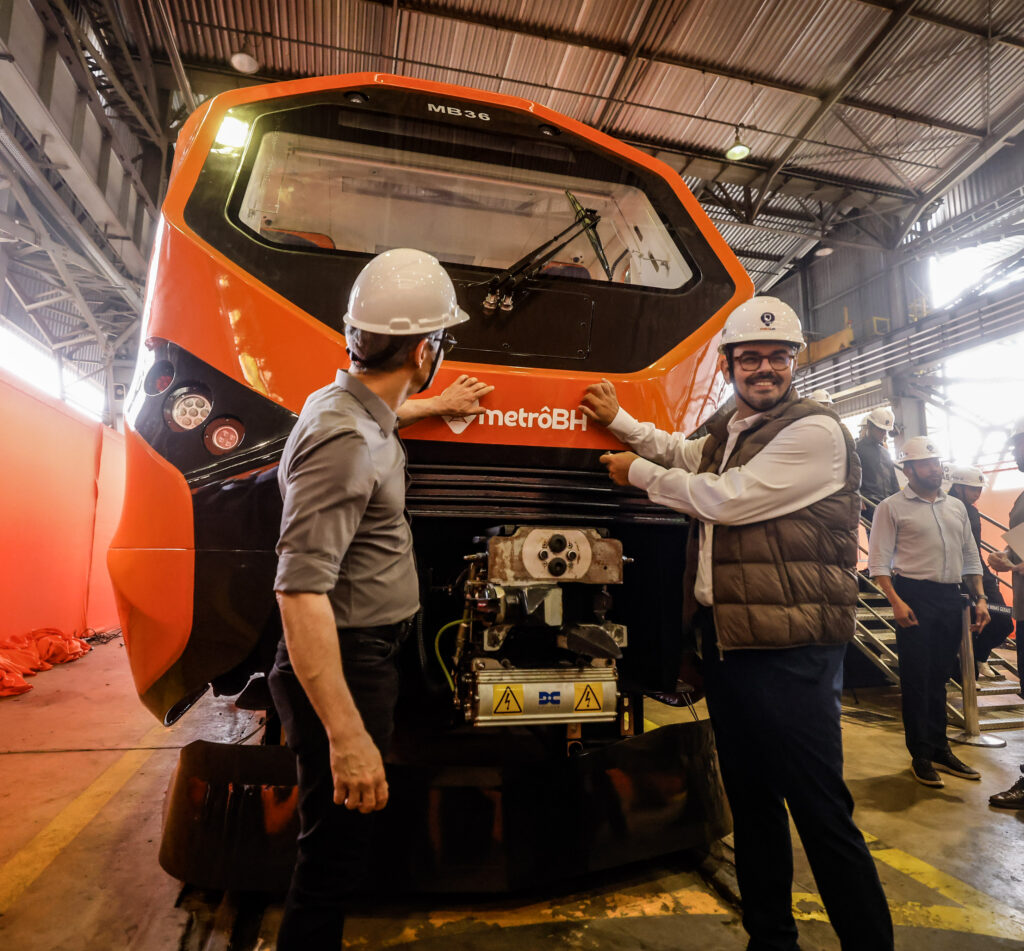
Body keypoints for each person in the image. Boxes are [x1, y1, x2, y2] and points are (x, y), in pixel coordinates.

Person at [581, 296, 893, 951]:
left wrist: (635, 473)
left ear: (794, 362)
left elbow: (725, 499)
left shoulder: (814, 431)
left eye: (778, 357)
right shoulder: (733, 423)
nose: (765, 368)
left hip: (793, 650)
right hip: (731, 646)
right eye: (749, 356)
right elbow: (687, 454)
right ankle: (770, 939)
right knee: (752, 805)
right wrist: (623, 423)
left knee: (819, 809)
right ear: (728, 365)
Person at [268, 248, 491, 949]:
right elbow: (300, 591)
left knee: (347, 842)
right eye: (441, 343)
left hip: (374, 652)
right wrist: (348, 735)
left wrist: (438, 405)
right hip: (347, 663)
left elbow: (380, 422)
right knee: (332, 855)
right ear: (425, 349)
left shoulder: (350, 408)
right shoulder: (345, 440)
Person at [867, 437, 990, 788]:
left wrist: (979, 598)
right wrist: (895, 600)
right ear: (908, 469)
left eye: (937, 462)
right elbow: (879, 561)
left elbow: (970, 556)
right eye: (927, 463)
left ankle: (940, 748)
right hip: (914, 596)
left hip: (951, 597)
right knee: (917, 679)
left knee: (940, 677)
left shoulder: (956, 507)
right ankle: (920, 753)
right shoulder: (890, 508)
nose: (936, 469)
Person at [986, 418, 1024, 809]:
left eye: (1018, 445)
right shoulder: (1021, 498)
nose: (1014, 453)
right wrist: (1008, 558)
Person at [945, 465, 1013, 680]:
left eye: (979, 489)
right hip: (957, 575)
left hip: (980, 571)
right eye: (973, 488)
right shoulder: (945, 508)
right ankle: (966, 673)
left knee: (1003, 620)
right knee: (965, 626)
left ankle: (979, 657)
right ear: (957, 487)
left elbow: (974, 546)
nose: (978, 493)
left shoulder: (973, 511)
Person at [856, 407, 900, 514]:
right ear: (870, 426)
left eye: (885, 430)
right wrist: (857, 496)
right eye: (880, 430)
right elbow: (850, 477)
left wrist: (899, 500)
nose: (884, 434)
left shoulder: (885, 452)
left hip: (888, 504)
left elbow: (893, 480)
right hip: (869, 505)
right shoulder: (856, 449)